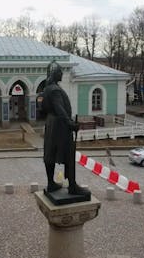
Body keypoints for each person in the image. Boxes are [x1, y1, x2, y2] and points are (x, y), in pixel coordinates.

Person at [42, 62, 89, 196]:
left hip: (51, 124)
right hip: (60, 126)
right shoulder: (55, 90)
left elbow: (45, 108)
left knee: (49, 154)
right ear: (55, 74)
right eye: (60, 72)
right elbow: (59, 108)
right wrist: (70, 123)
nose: (62, 74)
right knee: (69, 154)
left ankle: (51, 183)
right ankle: (72, 186)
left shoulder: (47, 89)